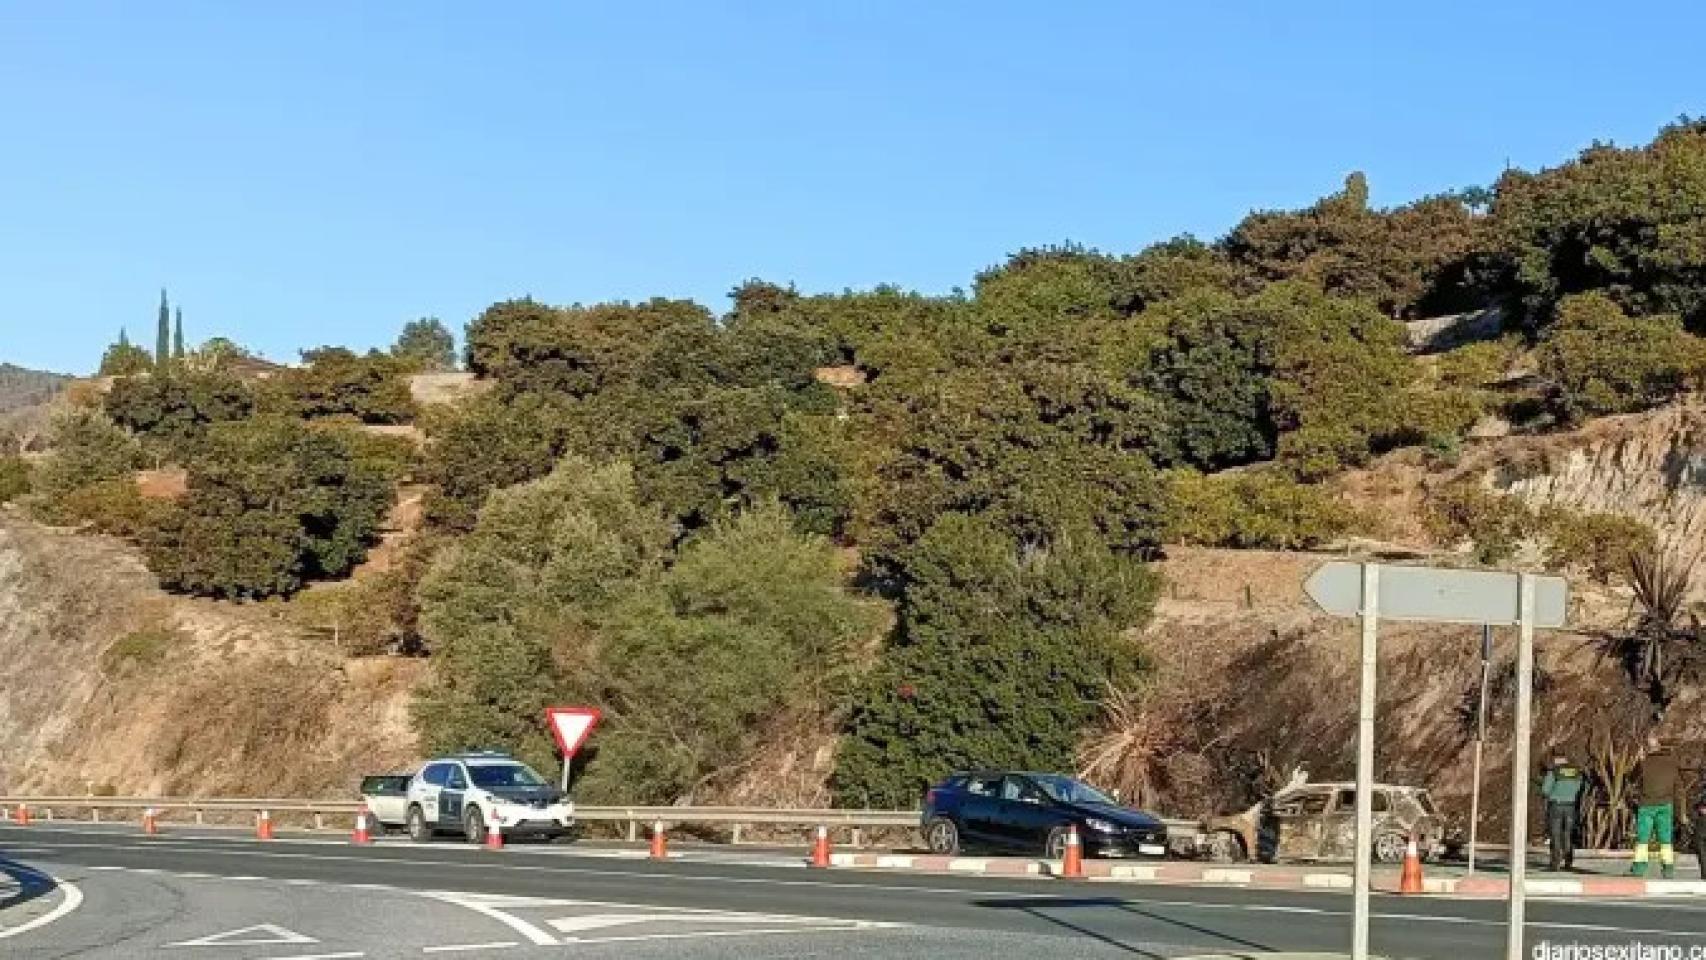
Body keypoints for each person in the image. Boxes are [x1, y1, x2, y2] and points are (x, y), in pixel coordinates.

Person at [1630, 735, 1680, 879]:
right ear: (1659, 747)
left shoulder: (1644, 763)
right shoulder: (1671, 762)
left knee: (1643, 838)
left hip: (1647, 804)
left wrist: (1639, 761)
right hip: (1666, 804)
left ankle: (1639, 869)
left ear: (1647, 749)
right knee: (1665, 839)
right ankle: (1668, 868)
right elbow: (1678, 786)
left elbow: (1632, 779)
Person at [1540, 752, 1585, 871]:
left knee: (1555, 834)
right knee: (1568, 834)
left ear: (1556, 759)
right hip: (1571, 806)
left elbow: (1545, 790)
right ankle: (1568, 862)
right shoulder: (1576, 772)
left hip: (1556, 806)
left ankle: (1555, 863)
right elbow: (1580, 788)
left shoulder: (1554, 772)